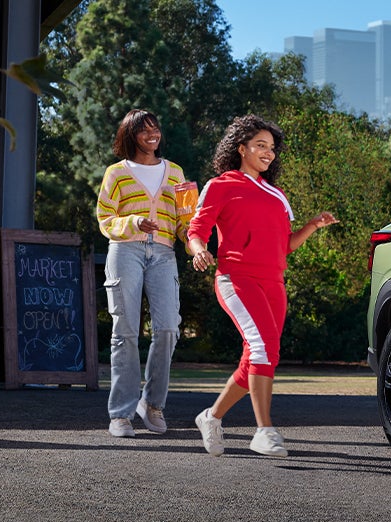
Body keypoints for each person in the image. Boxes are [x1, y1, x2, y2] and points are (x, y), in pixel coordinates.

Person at [185, 115, 338, 457]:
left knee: (257, 356)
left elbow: (284, 245)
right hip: (236, 279)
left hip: (273, 282)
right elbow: (196, 230)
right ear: (241, 149)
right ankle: (264, 431)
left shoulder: (276, 194)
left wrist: (313, 225)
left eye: (271, 148)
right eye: (260, 146)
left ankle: (211, 417)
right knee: (264, 349)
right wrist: (199, 251)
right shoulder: (221, 184)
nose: (268, 153)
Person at [96, 109, 196, 437]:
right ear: (131, 135)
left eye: (156, 128)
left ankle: (152, 404)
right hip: (126, 250)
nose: (153, 135)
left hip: (164, 254)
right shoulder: (117, 173)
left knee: (168, 328)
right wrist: (134, 222)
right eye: (145, 130)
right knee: (125, 332)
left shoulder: (177, 173)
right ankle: (120, 414)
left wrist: (197, 245)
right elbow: (105, 218)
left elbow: (188, 220)